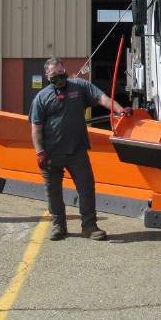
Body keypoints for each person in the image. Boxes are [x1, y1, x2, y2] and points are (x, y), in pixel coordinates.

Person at [29, 57, 132, 241]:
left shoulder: (79, 86)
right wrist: (40, 153)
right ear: (47, 76)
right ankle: (58, 226)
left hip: (77, 151)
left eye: (61, 72)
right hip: (52, 154)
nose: (59, 76)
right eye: (54, 74)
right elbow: (36, 128)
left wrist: (119, 110)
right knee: (53, 192)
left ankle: (89, 226)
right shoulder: (41, 98)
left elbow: (102, 98)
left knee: (86, 188)